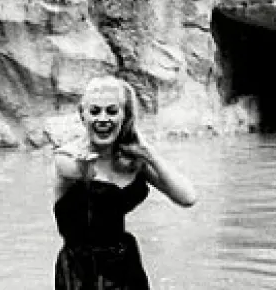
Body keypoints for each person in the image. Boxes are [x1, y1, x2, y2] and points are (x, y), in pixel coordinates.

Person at [52, 76, 196, 289]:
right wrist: (84, 169)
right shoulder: (66, 157)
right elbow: (77, 172)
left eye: (112, 111)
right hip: (80, 271)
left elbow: (187, 198)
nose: (103, 119)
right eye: (94, 111)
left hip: (125, 265)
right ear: (82, 115)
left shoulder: (133, 159)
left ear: (124, 115)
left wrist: (149, 153)